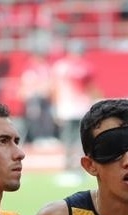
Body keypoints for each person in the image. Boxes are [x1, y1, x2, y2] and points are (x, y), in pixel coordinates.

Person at [51, 40, 98, 180]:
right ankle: (74, 168)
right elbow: (91, 89)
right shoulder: (84, 67)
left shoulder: (60, 66)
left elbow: (54, 89)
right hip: (78, 107)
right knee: (76, 140)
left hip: (68, 108)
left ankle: (71, 168)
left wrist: (55, 107)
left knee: (71, 140)